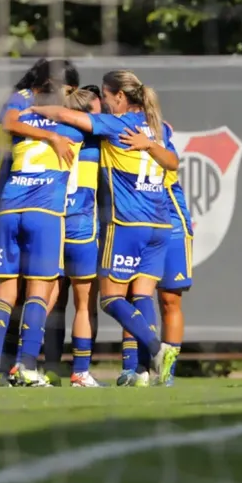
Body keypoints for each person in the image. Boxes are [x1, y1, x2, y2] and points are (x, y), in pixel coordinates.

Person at [29, 70, 180, 385]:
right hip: (161, 225)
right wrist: (151, 146)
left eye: (109, 99)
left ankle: (155, 348)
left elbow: (63, 114)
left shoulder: (117, 124)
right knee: (141, 297)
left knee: (110, 299)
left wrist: (32, 110)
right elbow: (173, 163)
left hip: (128, 224)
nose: (107, 106)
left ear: (120, 97)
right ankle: (143, 373)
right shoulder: (160, 128)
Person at [0, 59, 78, 387]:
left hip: (9, 206)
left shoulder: (26, 115)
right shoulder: (57, 118)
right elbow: (9, 121)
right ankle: (26, 367)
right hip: (43, 211)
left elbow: (11, 123)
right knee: (39, 289)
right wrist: (54, 136)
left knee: (5, 291)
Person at [117, 120, 192, 387]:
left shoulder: (159, 132)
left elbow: (171, 151)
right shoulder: (118, 134)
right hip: (138, 222)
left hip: (172, 225)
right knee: (131, 296)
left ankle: (166, 372)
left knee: (170, 301)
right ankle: (135, 369)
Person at [41, 85, 105, 388]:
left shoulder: (49, 136)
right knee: (85, 303)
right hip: (81, 226)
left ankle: (40, 367)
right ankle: (81, 371)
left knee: (50, 301)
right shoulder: (96, 140)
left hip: (53, 222)